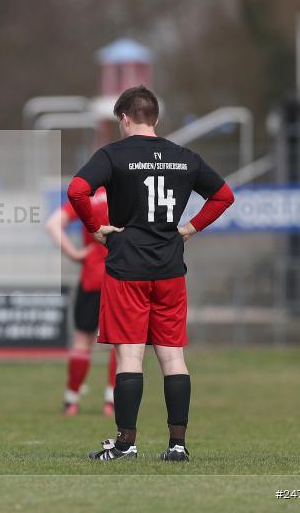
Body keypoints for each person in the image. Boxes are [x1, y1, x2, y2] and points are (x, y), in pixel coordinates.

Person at [66, 85, 234, 462]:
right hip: (170, 268)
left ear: (125, 118)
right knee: (173, 358)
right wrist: (190, 228)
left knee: (130, 357)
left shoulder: (112, 154)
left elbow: (77, 191)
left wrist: (96, 227)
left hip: (127, 266)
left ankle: (126, 444)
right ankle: (177, 445)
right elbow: (224, 196)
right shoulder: (184, 156)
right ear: (155, 118)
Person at [45, 188, 117, 417]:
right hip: (122, 277)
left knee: (82, 341)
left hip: (91, 277)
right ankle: (112, 402)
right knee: (122, 342)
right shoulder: (129, 189)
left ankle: (71, 401)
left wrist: (74, 254)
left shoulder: (88, 195)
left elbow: (53, 224)